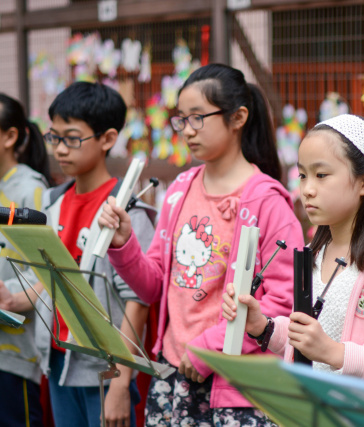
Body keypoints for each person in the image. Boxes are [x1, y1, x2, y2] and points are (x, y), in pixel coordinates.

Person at [98, 63, 304, 426]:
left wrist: (209, 347)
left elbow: (282, 305)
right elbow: (153, 286)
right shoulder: (180, 189)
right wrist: (124, 244)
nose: (187, 130)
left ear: (238, 117)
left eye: (198, 118)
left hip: (237, 389)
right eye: (181, 120)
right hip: (171, 375)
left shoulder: (268, 202)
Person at [221, 114, 364, 419]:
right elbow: (308, 344)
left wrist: (336, 353)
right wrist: (264, 327)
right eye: (302, 175)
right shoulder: (314, 254)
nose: (307, 189)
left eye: (321, 175)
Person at [31, 82, 156, 427]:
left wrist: (120, 382)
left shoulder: (125, 210)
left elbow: (138, 301)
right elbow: (49, 278)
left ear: (107, 138)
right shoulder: (53, 202)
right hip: (60, 360)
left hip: (106, 368)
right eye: (54, 137)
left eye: (72, 139)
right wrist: (13, 299)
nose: (59, 149)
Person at [0, 93, 53, 427]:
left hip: (15, 355)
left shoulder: (30, 189)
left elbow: (48, 271)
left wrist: (11, 298)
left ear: (10, 137)